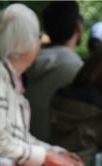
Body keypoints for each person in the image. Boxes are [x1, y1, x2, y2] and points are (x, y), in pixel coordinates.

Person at [0, 3, 86, 166]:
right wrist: (46, 156)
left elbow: (19, 138)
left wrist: (56, 152)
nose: (40, 41)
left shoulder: (9, 77)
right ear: (25, 41)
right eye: (37, 36)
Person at [24, 0, 83, 142]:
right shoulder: (78, 70)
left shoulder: (24, 64)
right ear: (78, 27)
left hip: (25, 143)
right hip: (60, 149)